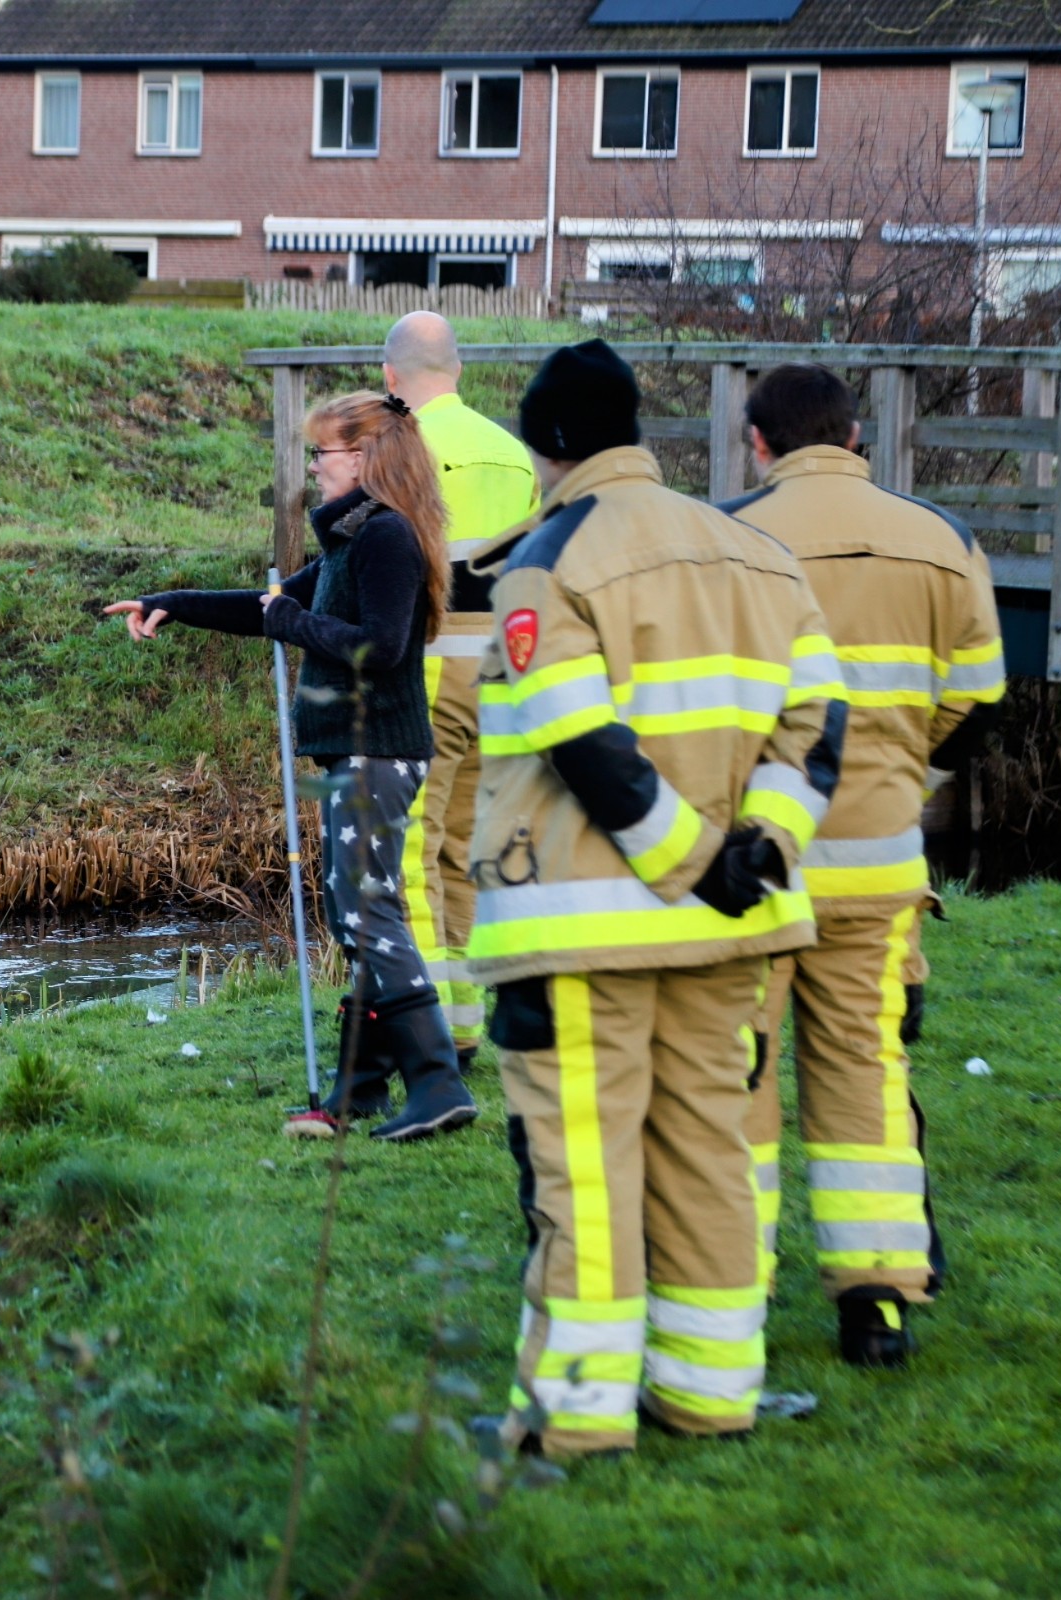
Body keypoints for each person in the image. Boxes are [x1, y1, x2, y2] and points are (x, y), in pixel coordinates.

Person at [463, 340, 846, 1459]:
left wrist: (687, 860)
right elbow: (817, 723)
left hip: (585, 931)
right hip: (733, 933)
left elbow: (584, 738)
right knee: (709, 1161)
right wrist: (758, 853)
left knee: (585, 1171)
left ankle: (575, 1422)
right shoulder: (760, 552)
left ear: (551, 446)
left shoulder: (547, 560)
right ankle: (710, 1393)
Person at [719, 363, 1005, 1368]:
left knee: (738, 1080)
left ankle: (731, 1291)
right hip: (880, 864)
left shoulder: (731, 538)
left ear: (758, 443)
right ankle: (877, 1297)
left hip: (757, 865)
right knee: (866, 1079)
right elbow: (977, 702)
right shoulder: (943, 540)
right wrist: (900, 765)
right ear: (853, 435)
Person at [105, 390, 479, 1142]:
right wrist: (169, 601)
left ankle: (436, 1085)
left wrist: (293, 621)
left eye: (324, 453)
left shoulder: (387, 540)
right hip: (356, 753)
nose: (314, 465)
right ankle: (360, 1087)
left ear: (366, 459)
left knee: (369, 912)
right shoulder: (353, 542)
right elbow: (267, 605)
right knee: (354, 910)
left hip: (378, 752)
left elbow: (383, 647)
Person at [381, 312, 538, 1066]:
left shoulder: (402, 451)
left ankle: (430, 1021)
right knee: (468, 848)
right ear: (460, 370)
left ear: (390, 377)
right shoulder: (513, 456)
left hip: (431, 663)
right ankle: (469, 1017)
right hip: (504, 672)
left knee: (413, 842)